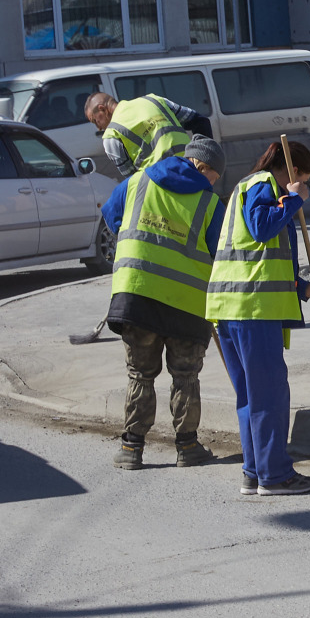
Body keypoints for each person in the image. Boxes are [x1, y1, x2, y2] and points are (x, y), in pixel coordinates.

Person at [206, 140, 310, 497]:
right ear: (293, 171)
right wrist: (294, 198)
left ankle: (254, 471)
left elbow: (260, 256)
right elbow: (261, 229)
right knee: (269, 394)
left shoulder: (246, 187)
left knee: (250, 396)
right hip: (253, 310)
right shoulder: (263, 186)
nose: (305, 183)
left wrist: (302, 288)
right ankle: (275, 476)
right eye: (303, 177)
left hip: (231, 306)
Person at [100, 134, 228, 470]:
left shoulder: (138, 181)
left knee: (140, 375)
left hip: (137, 294)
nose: (213, 183)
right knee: (185, 376)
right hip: (185, 304)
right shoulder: (210, 204)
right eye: (214, 176)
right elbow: (219, 253)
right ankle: (187, 446)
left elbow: (112, 216)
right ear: (203, 166)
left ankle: (131, 449)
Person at [84, 91, 213, 177]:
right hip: (193, 173)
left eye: (95, 120)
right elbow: (200, 121)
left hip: (162, 186)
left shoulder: (111, 136)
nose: (99, 127)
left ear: (102, 109)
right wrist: (205, 162)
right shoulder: (154, 100)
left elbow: (133, 179)